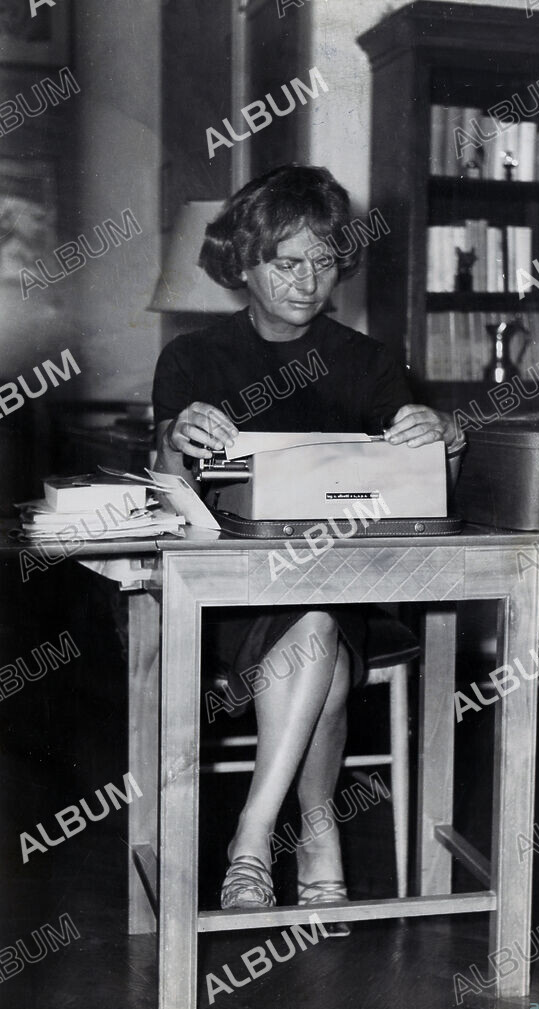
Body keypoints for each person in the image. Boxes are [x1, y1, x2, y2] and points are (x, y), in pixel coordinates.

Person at [152, 164, 461, 928]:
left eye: (324, 261)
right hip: (223, 606)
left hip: (350, 596)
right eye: (286, 261)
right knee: (313, 631)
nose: (307, 279)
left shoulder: (369, 360)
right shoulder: (192, 360)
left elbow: (426, 481)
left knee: (320, 620)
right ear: (244, 264)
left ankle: (253, 836)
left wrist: (445, 439)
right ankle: (317, 824)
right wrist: (172, 441)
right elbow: (166, 490)